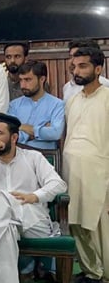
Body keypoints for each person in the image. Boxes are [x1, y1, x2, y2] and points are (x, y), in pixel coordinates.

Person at [0, 113, 66, 283]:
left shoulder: (33, 158)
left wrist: (34, 196)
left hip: (34, 222)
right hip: (0, 223)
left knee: (1, 198)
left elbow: (58, 184)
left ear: (14, 137)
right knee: (5, 228)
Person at [63, 46, 109, 283]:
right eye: (75, 66)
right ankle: (92, 273)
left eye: (83, 66)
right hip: (72, 173)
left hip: (100, 175)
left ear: (98, 69)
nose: (77, 71)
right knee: (77, 225)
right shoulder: (72, 101)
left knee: (100, 228)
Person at [7, 61, 64, 149]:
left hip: (46, 156)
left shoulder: (57, 104)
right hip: (19, 155)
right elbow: (11, 135)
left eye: (28, 80)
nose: (23, 85)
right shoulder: (14, 105)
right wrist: (41, 131)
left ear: (42, 79)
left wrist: (24, 127)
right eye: (21, 80)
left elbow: (56, 133)